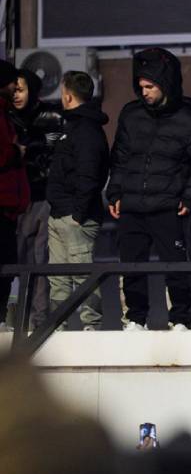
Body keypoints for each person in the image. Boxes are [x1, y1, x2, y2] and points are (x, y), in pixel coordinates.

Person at [106, 47, 191, 331]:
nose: (144, 92)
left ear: (165, 84)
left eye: (150, 87)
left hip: (169, 206)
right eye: (141, 87)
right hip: (132, 206)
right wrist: (114, 194)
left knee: (176, 266)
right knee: (131, 266)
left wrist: (190, 197)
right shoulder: (131, 114)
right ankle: (135, 319)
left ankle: (180, 320)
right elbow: (120, 159)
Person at [45, 71, 109, 331]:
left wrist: (77, 214)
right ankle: (56, 327)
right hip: (61, 213)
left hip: (75, 216)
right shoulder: (72, 128)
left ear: (68, 95)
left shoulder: (86, 130)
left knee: (82, 273)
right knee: (57, 277)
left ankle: (89, 327)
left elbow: (90, 174)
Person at [7, 69, 64, 330]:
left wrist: (31, 150)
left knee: (39, 262)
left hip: (42, 196)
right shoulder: (6, 117)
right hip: (16, 198)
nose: (16, 95)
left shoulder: (51, 116)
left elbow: (57, 153)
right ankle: (14, 319)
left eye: (21, 89)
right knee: (17, 260)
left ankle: (37, 322)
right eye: (13, 89)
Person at [0, 60, 30, 329]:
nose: (16, 88)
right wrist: (16, 152)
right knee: (5, 265)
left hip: (8, 207)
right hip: (2, 205)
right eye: (13, 83)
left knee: (8, 264)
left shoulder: (5, 113)